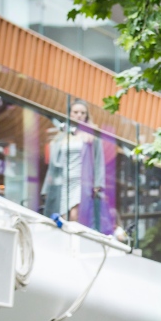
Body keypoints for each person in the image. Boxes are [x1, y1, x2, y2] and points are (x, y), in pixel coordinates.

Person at [41, 99, 112, 234]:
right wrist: (46, 187)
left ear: (86, 116)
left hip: (81, 180)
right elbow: (52, 166)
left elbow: (98, 160)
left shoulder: (91, 136)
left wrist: (98, 183)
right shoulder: (61, 136)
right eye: (76, 112)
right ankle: (63, 243)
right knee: (62, 216)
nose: (79, 115)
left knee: (75, 215)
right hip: (63, 181)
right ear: (70, 114)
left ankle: (74, 243)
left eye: (82, 112)